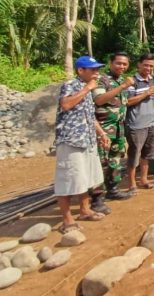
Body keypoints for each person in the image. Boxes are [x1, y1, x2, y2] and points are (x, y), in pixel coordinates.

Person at [54, 56, 108, 233]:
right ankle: (67, 219)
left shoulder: (87, 89)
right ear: (80, 71)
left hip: (87, 139)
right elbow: (66, 104)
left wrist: (101, 133)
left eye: (97, 69)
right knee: (68, 178)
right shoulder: (71, 85)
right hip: (71, 140)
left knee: (84, 177)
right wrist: (87, 88)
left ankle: (85, 210)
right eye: (92, 70)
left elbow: (89, 116)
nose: (96, 73)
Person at [91, 52, 135, 209]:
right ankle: (96, 199)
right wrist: (123, 86)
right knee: (101, 163)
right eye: (118, 63)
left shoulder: (123, 80)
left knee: (115, 161)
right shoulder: (101, 80)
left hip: (118, 128)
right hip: (103, 129)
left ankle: (113, 189)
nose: (122, 66)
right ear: (110, 63)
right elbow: (99, 100)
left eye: (125, 64)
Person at [125, 54, 154, 194]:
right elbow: (128, 102)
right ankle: (132, 183)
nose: (148, 68)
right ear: (139, 65)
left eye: (151, 66)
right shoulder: (132, 81)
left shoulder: (152, 80)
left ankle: (144, 179)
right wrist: (146, 93)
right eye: (146, 65)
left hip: (151, 122)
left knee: (147, 153)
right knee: (134, 154)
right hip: (136, 124)